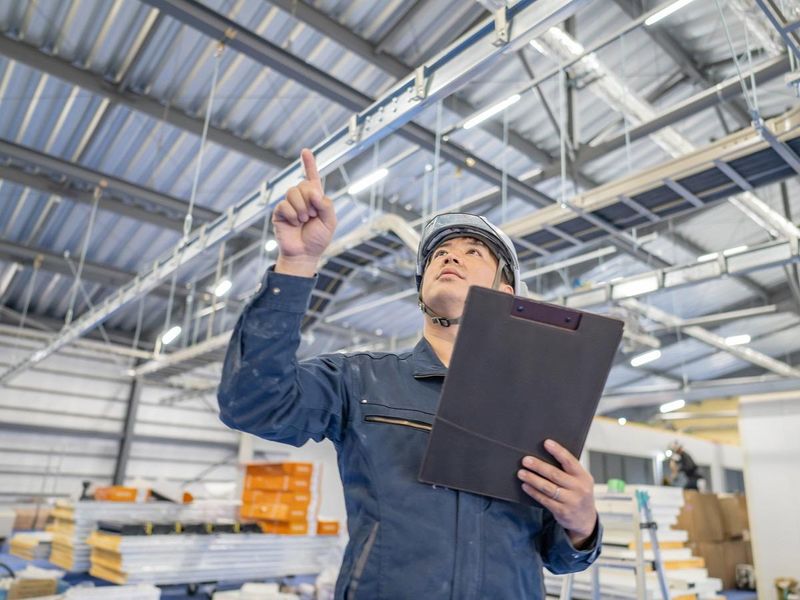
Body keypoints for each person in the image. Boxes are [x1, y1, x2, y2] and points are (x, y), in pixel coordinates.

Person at [218, 149, 601, 599]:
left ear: (507, 290)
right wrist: (296, 263)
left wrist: (582, 524)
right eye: (439, 253)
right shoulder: (360, 380)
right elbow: (251, 403)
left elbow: (557, 555)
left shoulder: (533, 409)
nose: (449, 257)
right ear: (422, 288)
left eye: (472, 251)